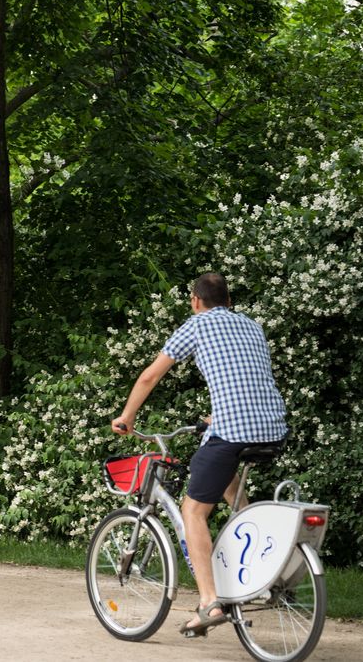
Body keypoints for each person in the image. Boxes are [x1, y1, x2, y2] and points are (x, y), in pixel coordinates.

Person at [111, 272, 288, 637]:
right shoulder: (252, 326)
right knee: (222, 477)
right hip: (272, 428)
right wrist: (215, 417)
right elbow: (245, 378)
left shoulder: (196, 325)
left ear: (195, 301)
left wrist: (127, 417)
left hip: (234, 431)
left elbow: (149, 377)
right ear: (228, 300)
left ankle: (209, 601)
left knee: (193, 510)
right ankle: (254, 553)